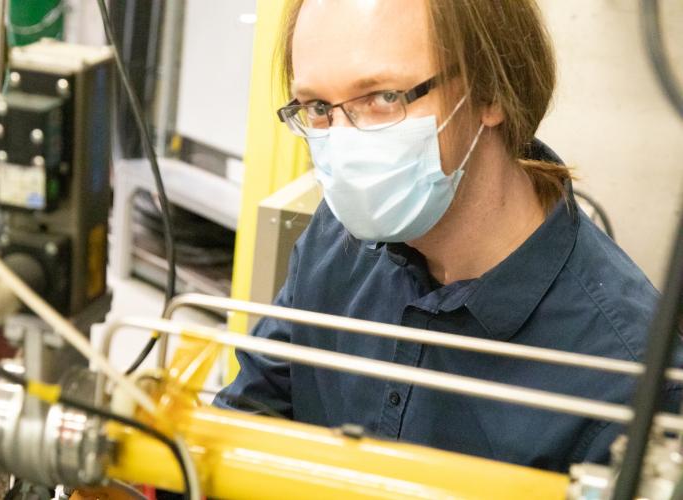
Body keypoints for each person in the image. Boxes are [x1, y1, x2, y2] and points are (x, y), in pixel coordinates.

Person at [214, 0, 681, 472]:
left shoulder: (627, 379)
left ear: (490, 89)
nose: (345, 144)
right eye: (318, 108)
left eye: (384, 97)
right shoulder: (337, 238)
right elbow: (244, 423)